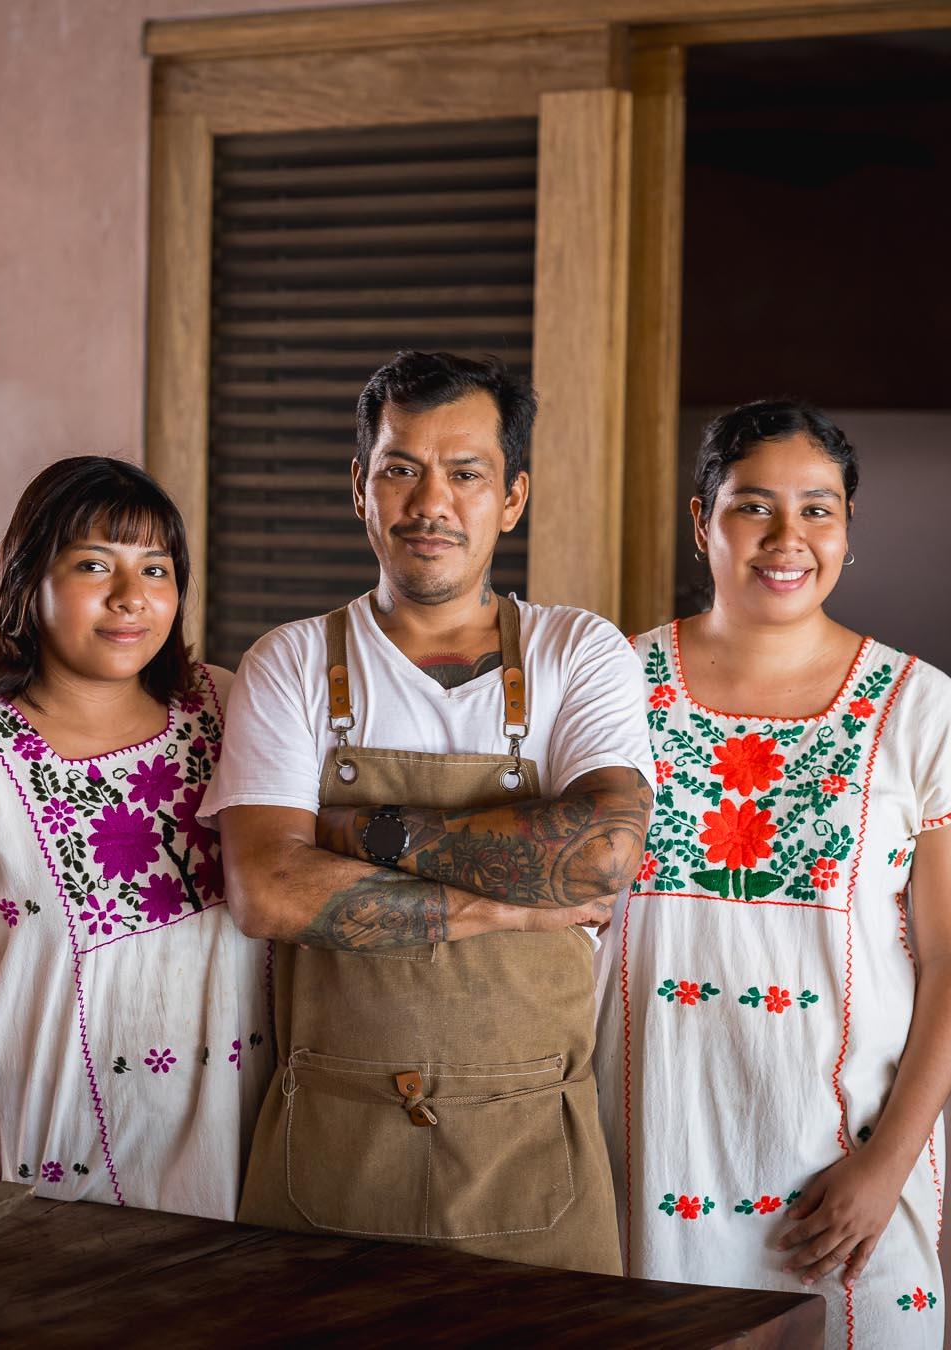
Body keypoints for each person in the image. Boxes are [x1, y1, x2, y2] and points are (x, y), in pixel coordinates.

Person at [204, 351, 655, 1275]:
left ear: (513, 498)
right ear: (360, 490)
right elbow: (268, 891)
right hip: (329, 1145)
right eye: (401, 469)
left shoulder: (580, 651)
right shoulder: (290, 662)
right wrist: (507, 908)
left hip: (531, 1142)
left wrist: (360, 832)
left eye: (466, 474)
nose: (430, 503)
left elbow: (603, 855)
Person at [597, 401, 951, 1347]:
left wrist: (886, 1167)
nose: (787, 538)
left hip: (846, 1173)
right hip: (643, 1149)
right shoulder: (611, 685)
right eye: (753, 505)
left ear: (848, 527)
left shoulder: (921, 710)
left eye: (817, 509)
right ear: (701, 519)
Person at [0, 456, 270, 1218]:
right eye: (94, 565)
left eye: (155, 569)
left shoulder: (228, 708)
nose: (131, 596)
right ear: (28, 582)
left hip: (247, 1152)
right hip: (61, 1166)